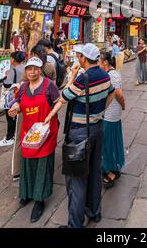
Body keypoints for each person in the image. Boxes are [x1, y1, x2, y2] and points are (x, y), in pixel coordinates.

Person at [44, 43, 115, 228]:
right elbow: (112, 93)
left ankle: (75, 225)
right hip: (98, 129)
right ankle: (94, 212)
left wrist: (72, 75)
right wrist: (100, 113)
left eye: (79, 56)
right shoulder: (105, 75)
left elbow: (63, 96)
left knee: (76, 181)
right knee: (94, 172)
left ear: (84, 58)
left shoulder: (83, 79)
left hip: (80, 132)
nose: (77, 59)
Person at [8, 57, 60, 223]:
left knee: (42, 165)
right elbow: (18, 102)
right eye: (29, 69)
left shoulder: (49, 86)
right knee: (28, 163)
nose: (32, 72)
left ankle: (39, 199)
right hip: (29, 134)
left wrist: (50, 117)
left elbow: (59, 102)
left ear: (40, 70)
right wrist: (16, 107)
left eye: (35, 69)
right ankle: (27, 194)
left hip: (46, 133)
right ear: (26, 71)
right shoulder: (23, 87)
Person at [99, 52, 125, 189]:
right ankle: (114, 165)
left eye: (99, 60)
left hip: (110, 113)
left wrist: (123, 104)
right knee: (113, 141)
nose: (97, 63)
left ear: (105, 62)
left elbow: (119, 94)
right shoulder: (113, 73)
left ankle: (109, 171)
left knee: (107, 142)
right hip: (113, 113)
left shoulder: (111, 75)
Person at [0, 51, 25, 147]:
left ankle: (9, 138)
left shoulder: (13, 70)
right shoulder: (24, 67)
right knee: (16, 117)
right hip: (20, 95)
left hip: (12, 97)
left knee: (10, 117)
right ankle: (14, 135)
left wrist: (5, 76)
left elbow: (6, 84)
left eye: (11, 58)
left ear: (13, 59)